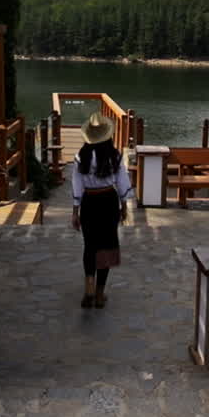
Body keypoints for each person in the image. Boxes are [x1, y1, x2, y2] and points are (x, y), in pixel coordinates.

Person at [71, 112, 132, 309]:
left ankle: (88, 288)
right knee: (106, 246)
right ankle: (99, 294)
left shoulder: (81, 157)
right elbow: (123, 184)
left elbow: (76, 185)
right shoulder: (114, 156)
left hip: (89, 202)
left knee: (90, 245)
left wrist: (75, 210)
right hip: (108, 202)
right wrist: (124, 207)